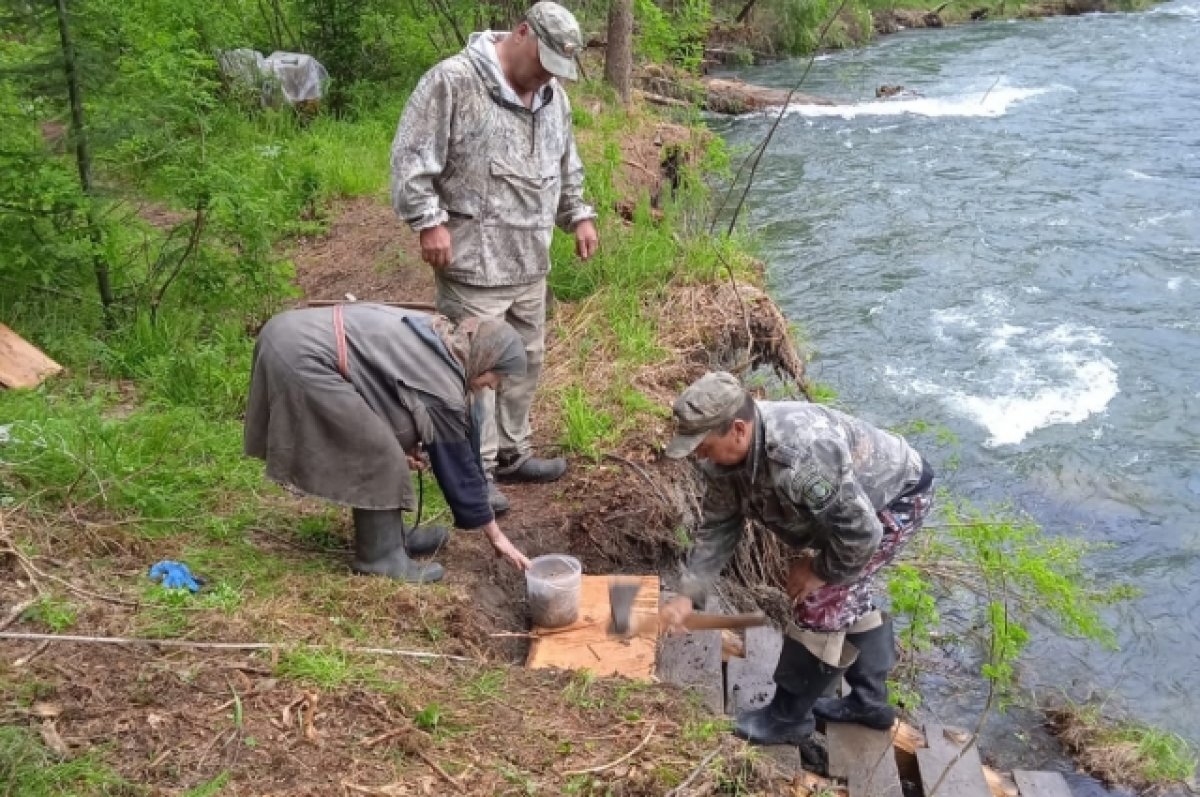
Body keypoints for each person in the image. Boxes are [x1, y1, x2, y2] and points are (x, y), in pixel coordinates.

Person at [390, 1, 600, 516]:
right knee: (476, 373)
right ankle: (476, 471)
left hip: (531, 259)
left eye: (558, 68)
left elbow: (565, 163)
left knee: (526, 360)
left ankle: (512, 451)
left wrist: (579, 215)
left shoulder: (554, 98)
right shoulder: (453, 81)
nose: (548, 75)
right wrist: (428, 221)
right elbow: (411, 158)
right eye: (544, 60)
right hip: (474, 263)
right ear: (522, 33)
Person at [660, 372, 935, 750]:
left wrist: (820, 570)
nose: (697, 454)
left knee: (821, 600)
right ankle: (870, 703)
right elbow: (719, 528)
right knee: (848, 597)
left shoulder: (800, 455)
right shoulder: (724, 461)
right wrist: (688, 595)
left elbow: (860, 534)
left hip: (893, 500)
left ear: (738, 430)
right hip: (850, 513)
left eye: (703, 445)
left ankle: (788, 717)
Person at [244, 303, 533, 583]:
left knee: (387, 439)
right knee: (377, 450)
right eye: (497, 376)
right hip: (300, 354)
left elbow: (380, 383)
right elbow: (458, 466)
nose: (494, 386)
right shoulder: (441, 379)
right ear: (486, 359)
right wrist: (497, 537)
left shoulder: (443, 338)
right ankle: (380, 557)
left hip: (291, 333)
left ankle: (390, 535)